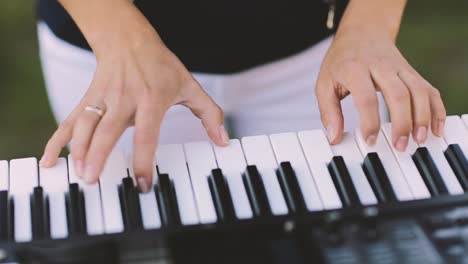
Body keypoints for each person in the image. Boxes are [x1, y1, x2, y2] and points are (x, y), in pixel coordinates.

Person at [38, 0, 446, 192]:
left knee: (335, 221)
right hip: (112, 52)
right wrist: (121, 43)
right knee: (144, 228)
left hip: (320, 53)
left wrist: (370, 24)